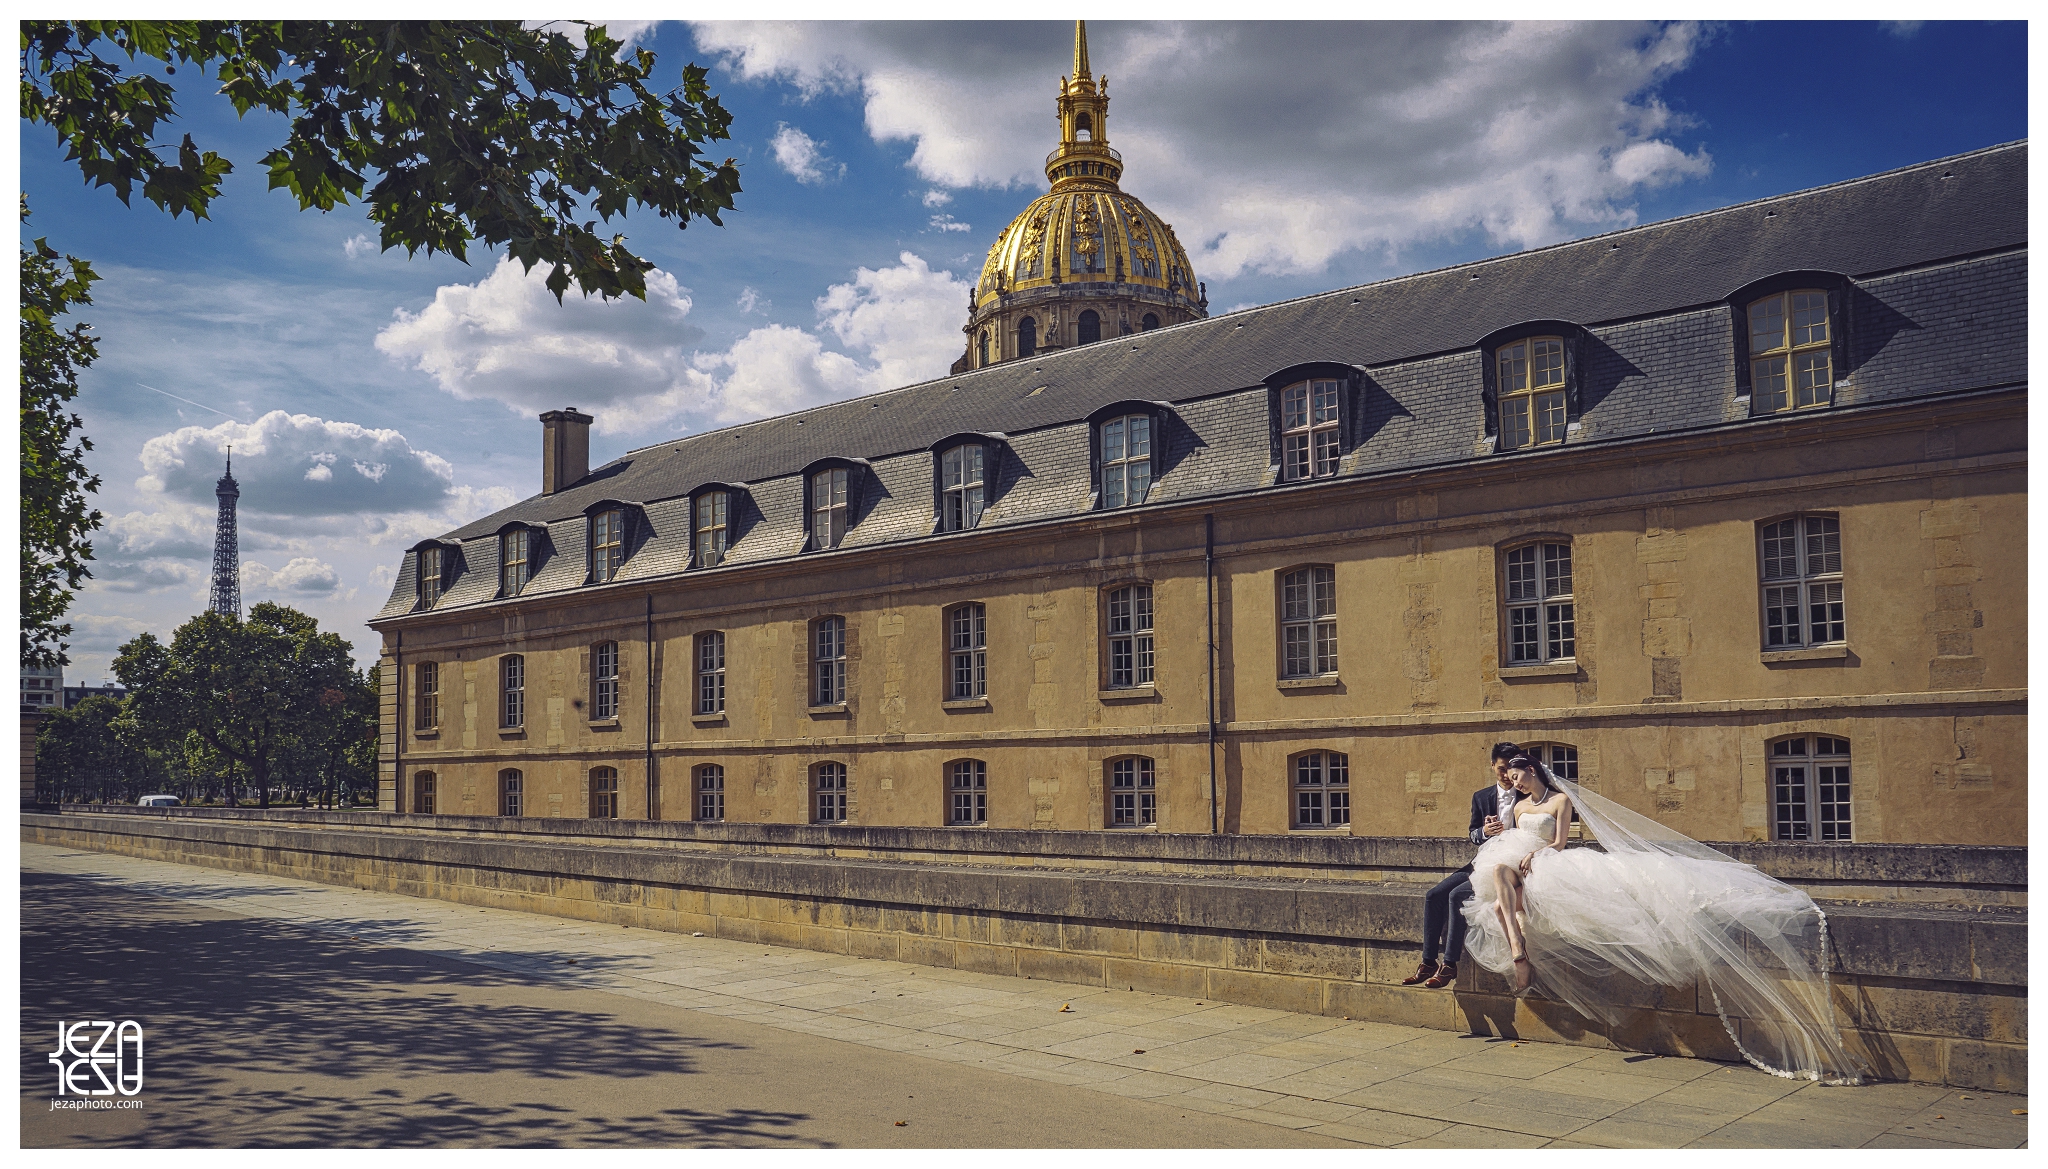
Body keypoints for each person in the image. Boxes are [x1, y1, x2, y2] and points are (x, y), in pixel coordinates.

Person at [1461, 755, 1869, 1085]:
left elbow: (1560, 841)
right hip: (1514, 861)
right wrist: (1494, 833)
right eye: (1511, 780)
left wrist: (1540, 854)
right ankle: (1519, 951)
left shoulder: (1559, 801)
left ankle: (1518, 944)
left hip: (1548, 863)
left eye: (1518, 777)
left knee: (1504, 900)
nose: (1514, 784)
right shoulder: (1515, 806)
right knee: (1498, 879)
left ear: (1532, 771)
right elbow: (1509, 838)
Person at [1403, 741, 1522, 990]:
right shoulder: (1481, 797)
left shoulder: (1526, 793)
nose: (1507, 775)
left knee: (1458, 896)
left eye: (1511, 769)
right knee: (1433, 895)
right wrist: (1485, 831)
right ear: (1492, 766)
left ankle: (1449, 965)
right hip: (1481, 860)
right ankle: (1427, 962)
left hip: (1508, 866)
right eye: (1501, 769)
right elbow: (1472, 835)